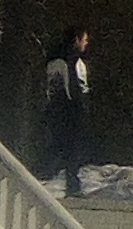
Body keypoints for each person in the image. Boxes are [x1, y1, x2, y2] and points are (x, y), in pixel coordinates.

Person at [37, 25, 93, 194]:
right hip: (69, 111)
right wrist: (80, 107)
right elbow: (72, 88)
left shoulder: (56, 59)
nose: (86, 43)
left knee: (61, 147)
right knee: (69, 148)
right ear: (76, 40)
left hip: (58, 109)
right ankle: (68, 183)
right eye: (84, 39)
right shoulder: (70, 61)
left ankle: (69, 182)